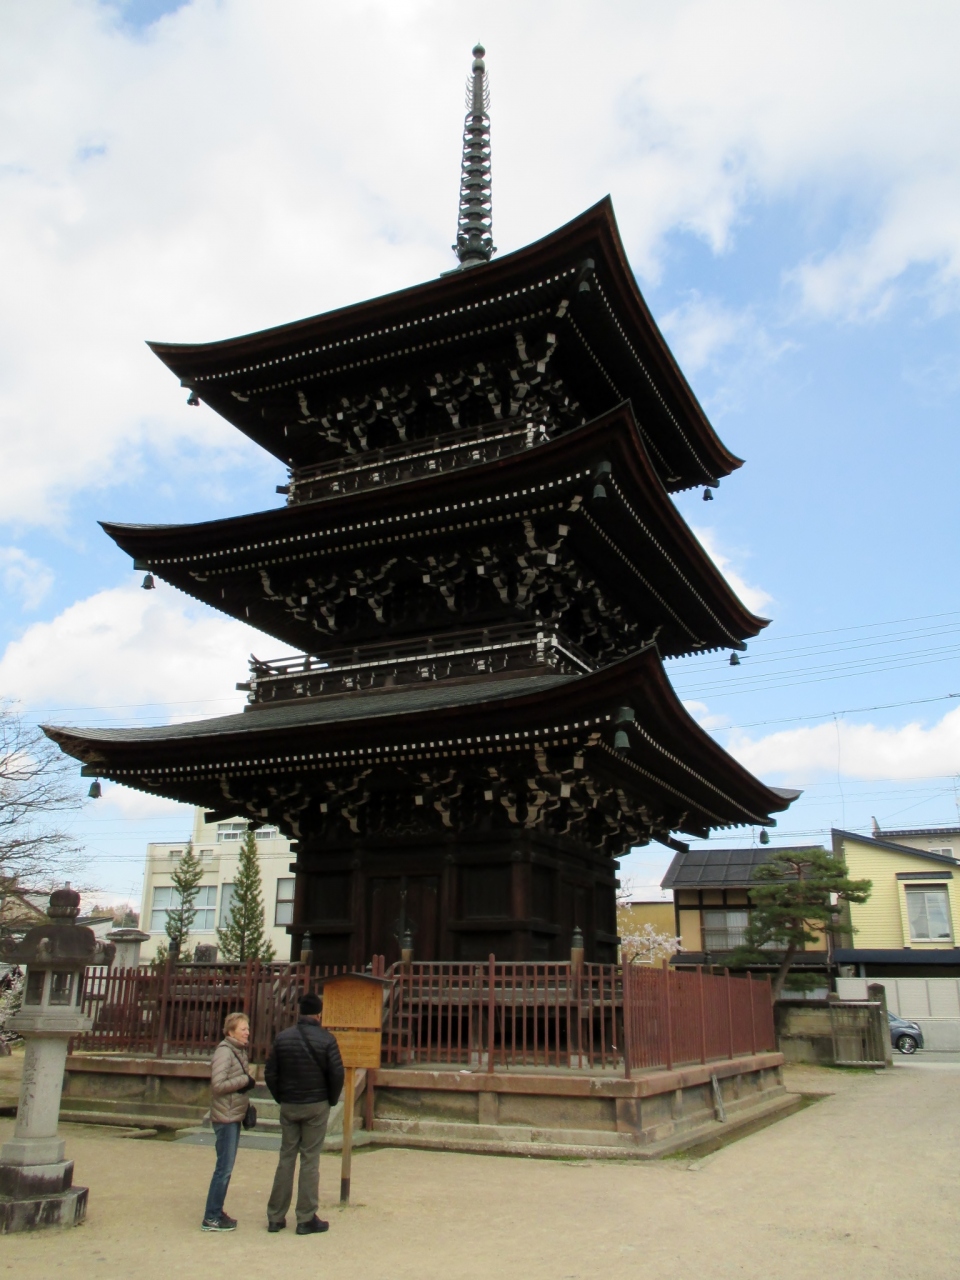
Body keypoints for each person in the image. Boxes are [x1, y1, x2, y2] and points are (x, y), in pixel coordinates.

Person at [264, 991, 344, 1235]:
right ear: (319, 1013)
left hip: (290, 1103)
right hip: (316, 1103)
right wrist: (331, 1099)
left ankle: (276, 1216)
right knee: (310, 1159)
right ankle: (305, 1217)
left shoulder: (282, 1038)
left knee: (286, 1157)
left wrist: (281, 1096)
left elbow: (270, 1073)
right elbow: (337, 1074)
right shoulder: (327, 1039)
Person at [202, 1010, 257, 1232]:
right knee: (223, 1168)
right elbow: (218, 1084)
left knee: (226, 1167)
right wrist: (244, 1079)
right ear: (231, 1032)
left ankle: (216, 1211)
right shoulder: (225, 1052)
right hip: (225, 1116)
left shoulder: (238, 1051)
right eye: (243, 1029)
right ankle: (211, 1216)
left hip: (233, 1114)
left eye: (247, 1028)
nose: (247, 1032)